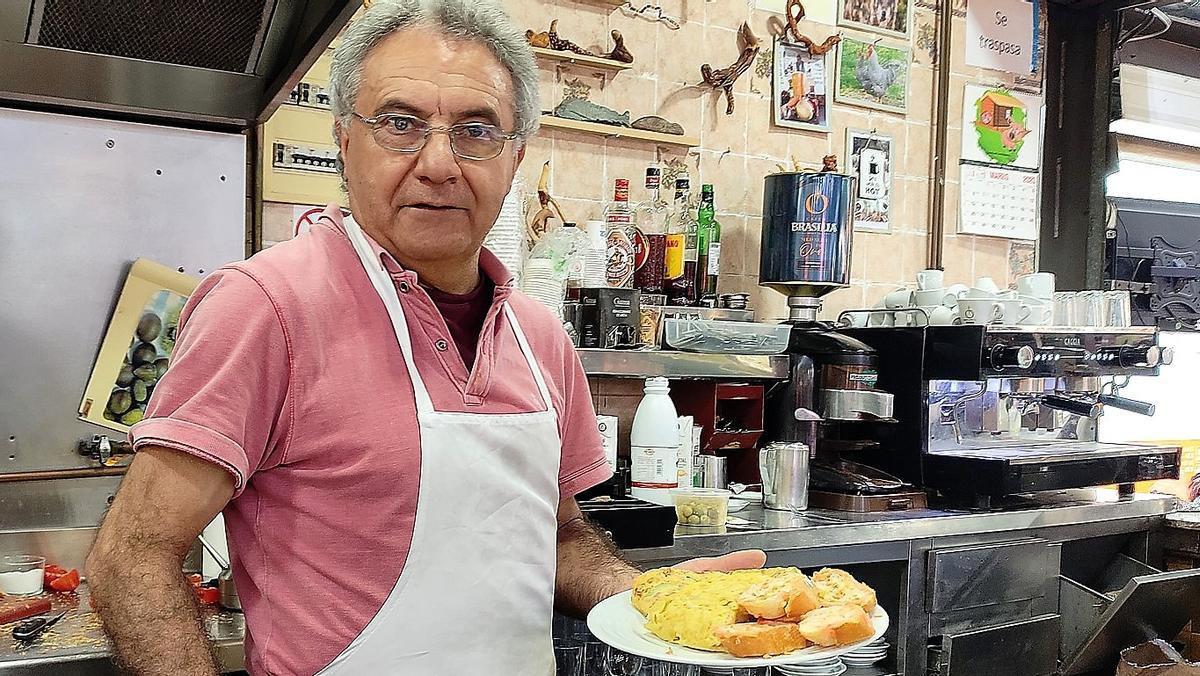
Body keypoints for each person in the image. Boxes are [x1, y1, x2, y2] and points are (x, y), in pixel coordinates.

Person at [84, 1, 763, 674]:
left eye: (476, 131)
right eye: (400, 124)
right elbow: (133, 554)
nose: (438, 164)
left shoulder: (539, 337)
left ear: (514, 158)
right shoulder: (265, 308)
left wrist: (654, 600)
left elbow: (555, 538)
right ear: (346, 142)